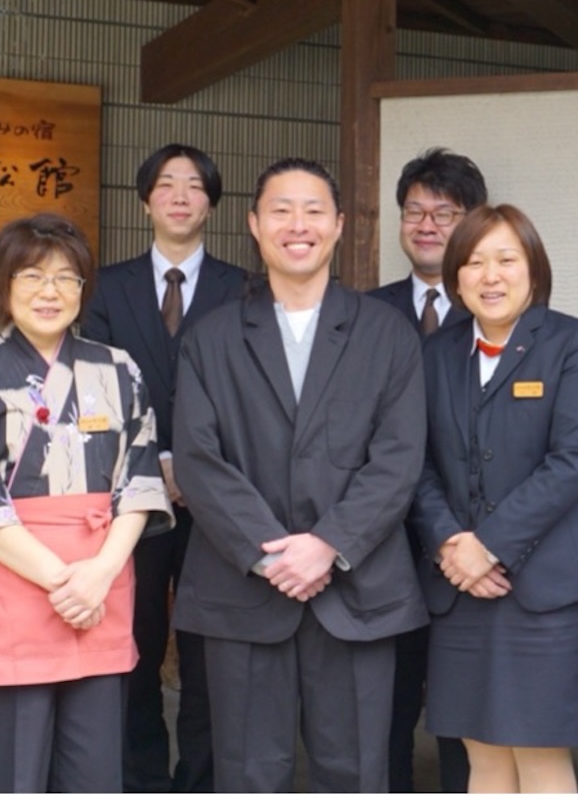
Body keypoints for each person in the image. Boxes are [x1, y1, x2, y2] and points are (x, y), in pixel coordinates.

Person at [170, 158, 428, 793]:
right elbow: (199, 459)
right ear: (255, 225)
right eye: (281, 210)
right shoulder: (212, 337)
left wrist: (328, 545)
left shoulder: (387, 334)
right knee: (247, 772)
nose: (298, 225)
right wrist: (271, 556)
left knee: (358, 771)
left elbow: (399, 458)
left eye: (314, 211)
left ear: (340, 226)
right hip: (243, 590)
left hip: (358, 589)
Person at [0, 212, 173, 792]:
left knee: (94, 774)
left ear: (84, 290)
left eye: (66, 278)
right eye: (31, 276)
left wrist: (97, 578)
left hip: (98, 594)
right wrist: (67, 582)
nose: (49, 292)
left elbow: (139, 480)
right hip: (8, 589)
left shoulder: (119, 369)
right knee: (8, 775)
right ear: (3, 285)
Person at [410, 204, 578, 793]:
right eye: (474, 262)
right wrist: (451, 543)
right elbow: (416, 462)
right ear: (455, 276)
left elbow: (573, 461)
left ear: (533, 269)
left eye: (506, 260)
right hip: (459, 590)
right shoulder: (437, 353)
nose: (490, 276)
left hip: (541, 591)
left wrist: (490, 547)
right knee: (484, 756)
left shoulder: (573, 343)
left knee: (542, 758)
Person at [82, 143, 246, 793]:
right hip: (130, 499)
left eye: (195, 185)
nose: (180, 194)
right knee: (133, 646)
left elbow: (249, 393)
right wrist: (160, 459)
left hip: (218, 502)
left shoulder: (244, 288)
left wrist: (196, 461)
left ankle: (202, 779)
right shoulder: (107, 286)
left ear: (212, 201)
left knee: (210, 653)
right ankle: (140, 777)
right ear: (145, 197)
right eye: (167, 183)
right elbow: (94, 389)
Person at [367, 147, 487, 794]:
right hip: (382, 544)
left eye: (445, 212)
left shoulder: (496, 311)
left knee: (462, 712)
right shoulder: (361, 311)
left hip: (464, 544)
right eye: (415, 211)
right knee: (382, 708)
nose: (427, 223)